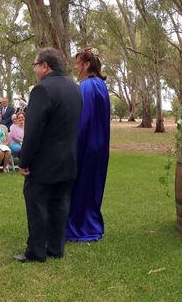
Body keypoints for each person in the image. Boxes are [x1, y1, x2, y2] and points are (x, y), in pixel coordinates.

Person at [14, 47, 82, 263]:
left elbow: (33, 130)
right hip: (68, 159)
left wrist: (24, 160)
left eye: (35, 65)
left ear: (45, 66)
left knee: (37, 204)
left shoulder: (41, 90)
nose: (34, 70)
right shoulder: (75, 89)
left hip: (44, 162)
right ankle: (56, 248)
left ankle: (36, 251)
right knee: (60, 205)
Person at [65, 47, 111, 242]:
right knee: (93, 186)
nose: (76, 67)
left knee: (81, 186)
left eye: (77, 63)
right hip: (99, 147)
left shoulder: (86, 87)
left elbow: (82, 121)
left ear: (86, 64)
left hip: (85, 146)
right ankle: (90, 223)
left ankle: (80, 226)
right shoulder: (101, 86)